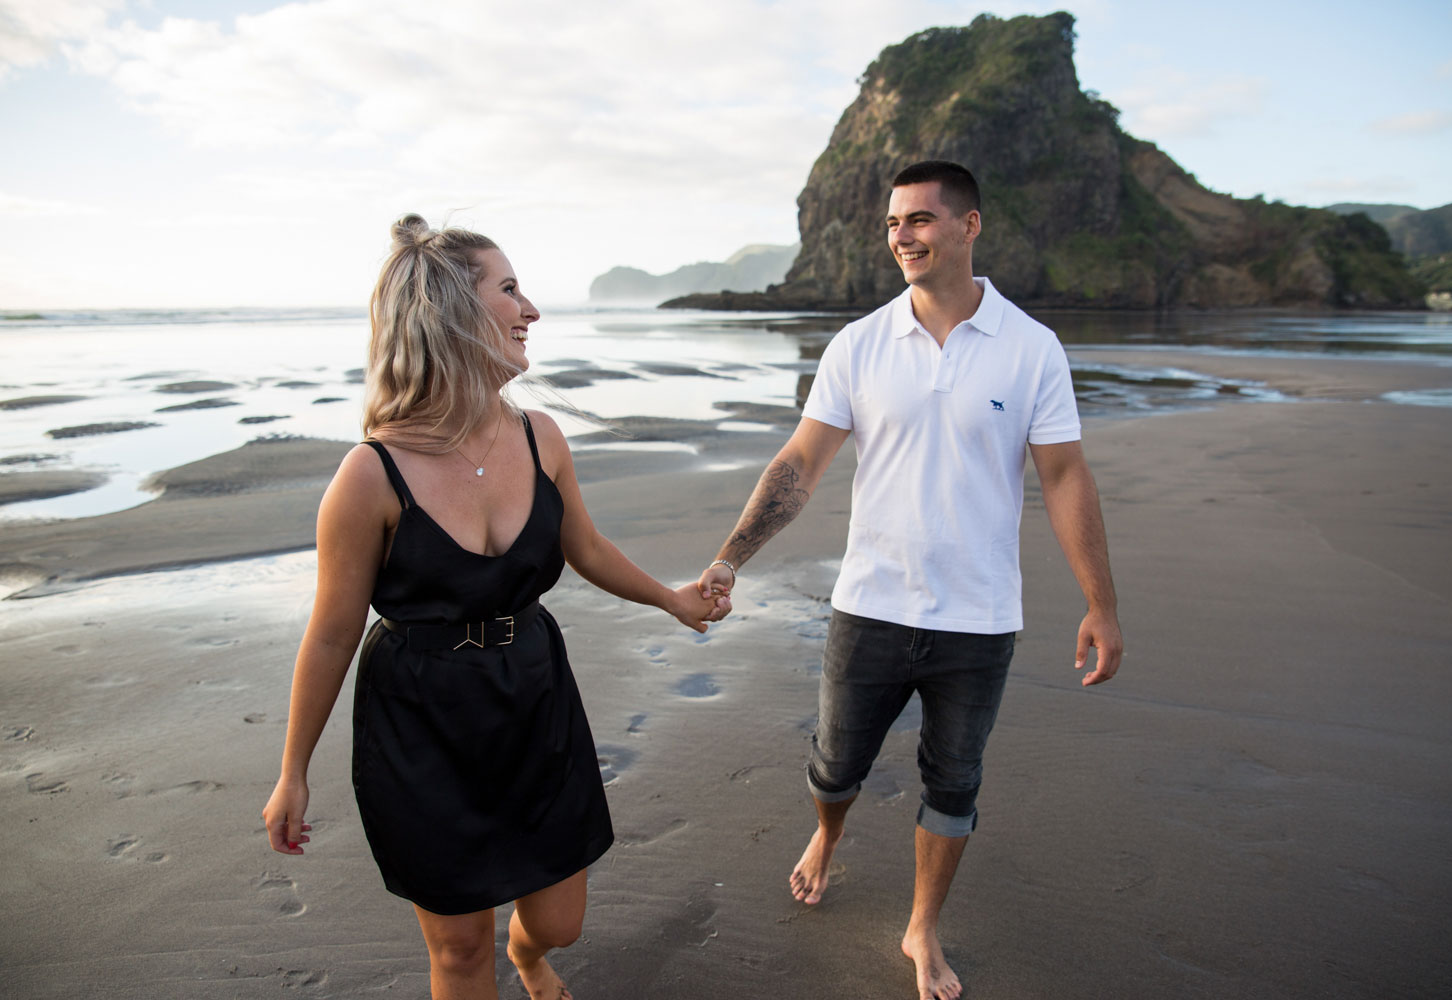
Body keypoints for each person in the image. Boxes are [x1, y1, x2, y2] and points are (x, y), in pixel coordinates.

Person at [262, 214, 729, 1000]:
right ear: (449, 312)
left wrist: (671, 600)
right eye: (510, 289)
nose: (531, 310)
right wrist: (292, 773)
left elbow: (584, 548)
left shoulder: (542, 437)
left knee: (560, 920)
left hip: (533, 698)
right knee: (456, 952)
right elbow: (334, 633)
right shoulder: (369, 477)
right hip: (420, 721)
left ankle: (532, 956)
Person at [696, 160, 1123, 1000]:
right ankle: (828, 833)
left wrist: (1101, 604)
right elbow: (801, 463)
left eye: (921, 220)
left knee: (955, 784)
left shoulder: (1031, 349)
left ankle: (922, 926)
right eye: (894, 223)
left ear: (969, 226)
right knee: (835, 766)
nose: (903, 237)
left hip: (980, 617)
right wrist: (729, 556)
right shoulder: (859, 345)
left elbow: (1066, 475)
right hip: (870, 606)